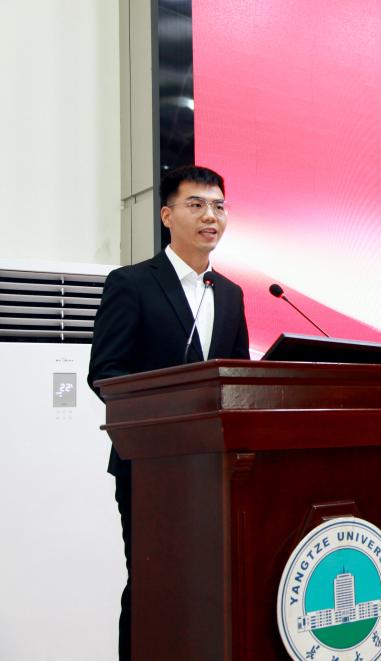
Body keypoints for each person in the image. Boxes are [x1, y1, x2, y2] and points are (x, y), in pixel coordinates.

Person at [88, 165, 250, 659]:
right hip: (151, 467)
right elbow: (107, 373)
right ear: (166, 215)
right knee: (153, 584)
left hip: (218, 470)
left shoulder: (231, 294)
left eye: (218, 206)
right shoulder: (132, 283)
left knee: (215, 586)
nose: (210, 216)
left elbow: (240, 380)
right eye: (196, 205)